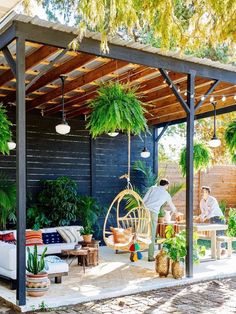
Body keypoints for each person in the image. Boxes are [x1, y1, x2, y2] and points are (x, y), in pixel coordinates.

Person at [143, 178, 178, 262]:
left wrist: (142, 209)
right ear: (166, 185)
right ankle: (150, 256)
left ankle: (134, 251)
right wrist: (176, 213)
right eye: (167, 186)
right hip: (153, 213)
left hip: (144, 211)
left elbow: (143, 200)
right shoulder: (166, 194)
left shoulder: (152, 188)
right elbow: (172, 206)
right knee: (151, 233)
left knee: (141, 231)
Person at [199, 186, 226, 252]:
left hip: (219, 218)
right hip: (211, 219)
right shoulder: (202, 201)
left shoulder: (212, 200)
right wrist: (201, 217)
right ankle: (215, 251)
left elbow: (212, 212)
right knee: (213, 235)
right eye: (202, 192)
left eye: (204, 192)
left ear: (208, 193)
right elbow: (204, 212)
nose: (203, 193)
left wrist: (205, 218)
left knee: (219, 234)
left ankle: (223, 250)